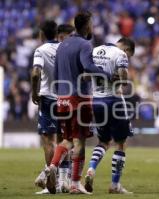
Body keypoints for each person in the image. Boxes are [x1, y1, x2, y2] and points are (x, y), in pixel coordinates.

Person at [45, 11, 110, 194]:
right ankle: (75, 184)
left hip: (62, 98)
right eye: (92, 23)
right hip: (79, 98)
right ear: (87, 25)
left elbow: (57, 73)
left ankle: (51, 167)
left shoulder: (62, 45)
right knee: (79, 142)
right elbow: (88, 66)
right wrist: (106, 75)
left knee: (66, 140)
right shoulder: (85, 44)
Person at [84, 37, 135, 194]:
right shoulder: (120, 54)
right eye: (129, 55)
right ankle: (114, 185)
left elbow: (85, 76)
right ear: (127, 49)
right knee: (121, 143)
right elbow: (125, 80)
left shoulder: (94, 52)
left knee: (103, 141)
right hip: (114, 101)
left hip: (97, 101)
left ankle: (91, 169)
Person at [32, 22, 75, 195]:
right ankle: (64, 180)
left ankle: (52, 178)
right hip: (66, 98)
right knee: (64, 139)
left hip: (48, 98)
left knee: (48, 140)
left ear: (42, 33)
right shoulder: (65, 49)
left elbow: (36, 73)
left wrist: (34, 93)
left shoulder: (41, 50)